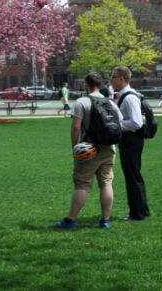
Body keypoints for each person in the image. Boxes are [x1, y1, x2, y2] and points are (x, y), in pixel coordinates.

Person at [54, 71, 122, 230]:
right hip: (109, 149)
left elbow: (76, 126)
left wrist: (74, 147)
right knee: (106, 183)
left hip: (88, 150)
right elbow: (120, 126)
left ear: (86, 84)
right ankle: (105, 221)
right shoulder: (110, 103)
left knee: (82, 185)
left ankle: (70, 221)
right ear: (100, 84)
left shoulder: (82, 102)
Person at [111, 66, 150, 221]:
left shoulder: (129, 97)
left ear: (121, 78)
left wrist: (116, 126)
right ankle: (142, 210)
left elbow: (136, 122)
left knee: (132, 176)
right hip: (130, 140)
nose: (111, 79)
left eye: (113, 76)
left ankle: (137, 213)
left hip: (131, 140)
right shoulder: (125, 95)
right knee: (134, 175)